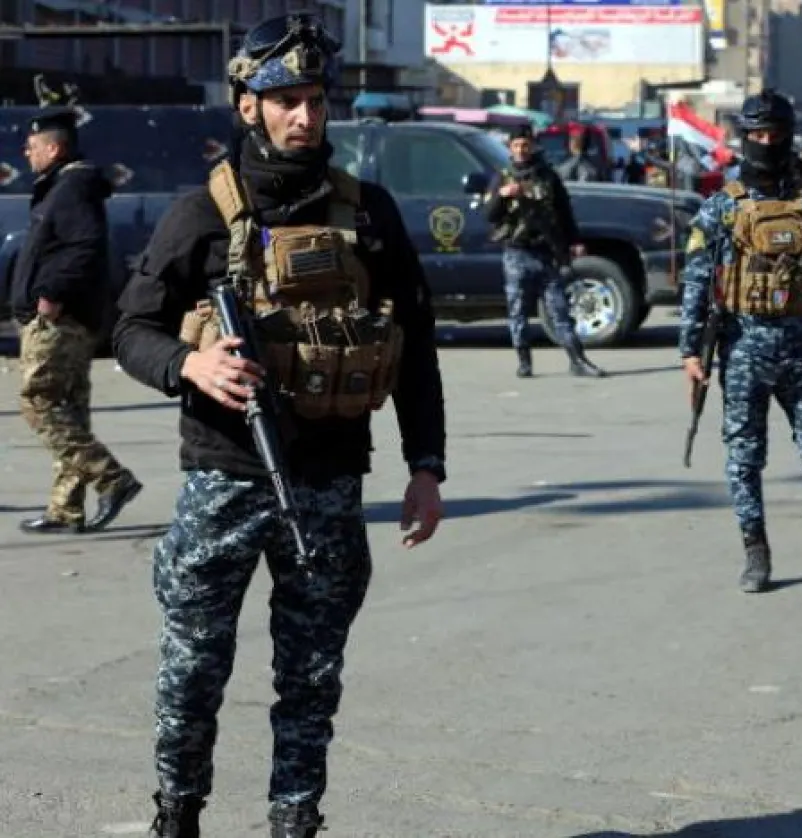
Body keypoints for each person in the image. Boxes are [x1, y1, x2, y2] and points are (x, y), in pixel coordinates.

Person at [109, 14, 448, 837]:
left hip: (328, 485)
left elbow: (415, 345)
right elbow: (129, 329)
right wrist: (191, 365)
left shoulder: (368, 212)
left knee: (312, 677)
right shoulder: (202, 211)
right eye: (284, 99)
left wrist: (426, 466)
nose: (304, 116)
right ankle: (176, 814)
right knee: (193, 671)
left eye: (314, 99)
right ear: (248, 105)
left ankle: (295, 820)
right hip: (224, 478)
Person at [678, 89, 802, 594]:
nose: (766, 143)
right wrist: (689, 353)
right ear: (745, 137)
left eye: (774, 134)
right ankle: (756, 554)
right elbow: (698, 282)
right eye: (757, 135)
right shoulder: (721, 207)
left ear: (788, 136)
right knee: (744, 456)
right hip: (742, 347)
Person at [9, 101, 143, 535]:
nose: (26, 154)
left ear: (54, 149)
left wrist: (50, 296)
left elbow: (82, 248)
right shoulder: (64, 187)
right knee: (69, 409)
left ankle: (111, 478)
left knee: (39, 402)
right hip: (68, 317)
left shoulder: (70, 189)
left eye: (32, 147)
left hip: (59, 321)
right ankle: (65, 507)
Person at [485, 124, 606, 379]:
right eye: (516, 145)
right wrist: (503, 195)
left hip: (546, 252)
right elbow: (489, 215)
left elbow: (564, 211)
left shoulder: (548, 175)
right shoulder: (503, 176)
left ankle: (577, 359)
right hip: (517, 253)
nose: (521, 150)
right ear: (510, 147)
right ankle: (524, 361)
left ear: (533, 146)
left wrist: (574, 241)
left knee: (559, 309)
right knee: (518, 311)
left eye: (525, 145)